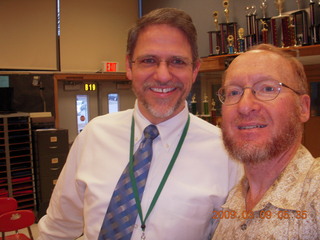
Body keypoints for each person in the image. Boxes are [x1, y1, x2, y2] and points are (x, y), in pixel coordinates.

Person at [37, 8, 242, 240]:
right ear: (129, 66)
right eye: (148, 60)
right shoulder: (94, 136)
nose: (163, 75)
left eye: (177, 61)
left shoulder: (226, 154)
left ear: (194, 69)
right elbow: (57, 230)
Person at [212, 44, 320, 239]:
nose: (244, 106)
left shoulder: (315, 192)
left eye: (267, 88)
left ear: (303, 108)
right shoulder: (233, 201)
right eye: (234, 92)